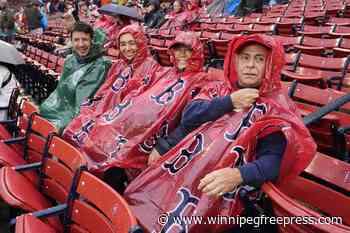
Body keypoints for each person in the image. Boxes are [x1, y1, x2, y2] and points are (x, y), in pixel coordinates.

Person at [124, 34, 316, 233]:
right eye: (245, 58)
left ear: (270, 65)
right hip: (185, 172)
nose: (250, 65)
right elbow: (190, 116)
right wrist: (230, 102)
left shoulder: (275, 108)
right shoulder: (219, 89)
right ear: (235, 61)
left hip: (225, 194)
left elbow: (274, 161)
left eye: (259, 59)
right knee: (134, 198)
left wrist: (239, 174)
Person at [64, 31, 209, 193]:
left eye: (187, 50)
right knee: (101, 137)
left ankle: (108, 199)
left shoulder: (202, 81)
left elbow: (191, 120)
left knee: (116, 158)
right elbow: (138, 97)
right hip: (138, 129)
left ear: (196, 53)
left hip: (158, 139)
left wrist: (163, 145)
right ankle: (89, 190)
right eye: (177, 49)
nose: (182, 54)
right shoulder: (166, 73)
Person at [39, 22, 111, 131]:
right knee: (41, 113)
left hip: (82, 115)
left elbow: (83, 102)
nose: (81, 44)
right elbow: (60, 91)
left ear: (91, 40)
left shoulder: (100, 65)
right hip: (62, 107)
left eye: (85, 39)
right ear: (71, 41)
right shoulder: (70, 60)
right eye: (76, 40)